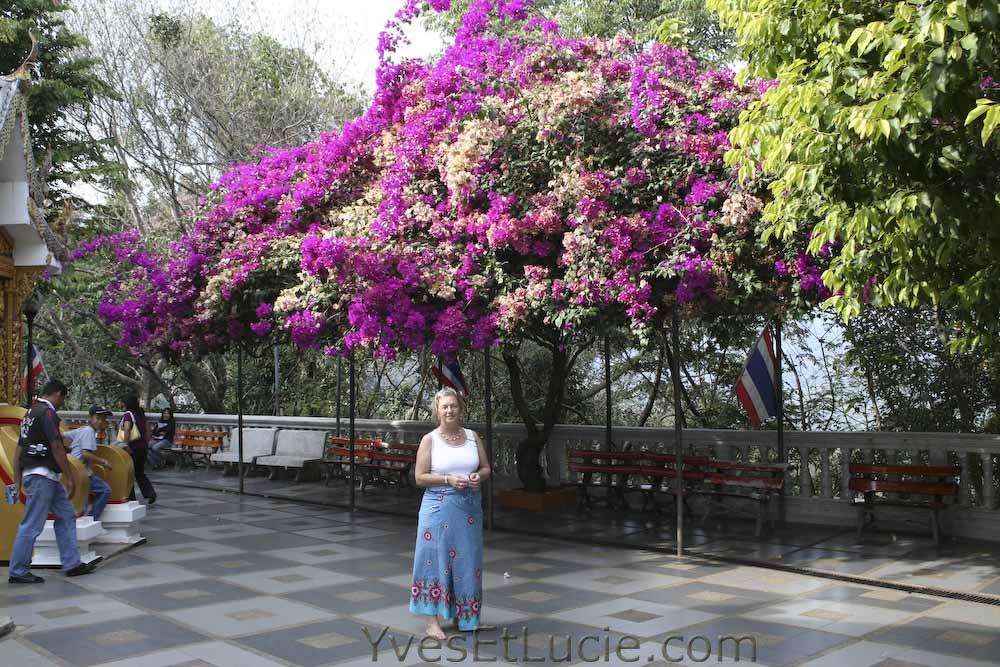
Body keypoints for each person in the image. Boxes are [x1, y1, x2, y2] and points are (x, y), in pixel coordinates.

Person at [409, 387, 491, 639]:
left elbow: (486, 468)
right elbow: (420, 477)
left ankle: (466, 618)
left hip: (468, 510)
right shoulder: (430, 440)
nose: (449, 410)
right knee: (433, 561)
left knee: (468, 562)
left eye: (453, 406)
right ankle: (431, 621)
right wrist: (447, 479)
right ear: (437, 411)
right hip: (438, 509)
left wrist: (479, 477)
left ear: (460, 408)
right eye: (444, 406)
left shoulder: (471, 437)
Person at [8, 379, 96, 583]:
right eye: (62, 399)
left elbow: (19, 450)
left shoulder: (29, 414)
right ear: (57, 394)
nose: (61, 404)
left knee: (66, 515)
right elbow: (57, 447)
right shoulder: (47, 413)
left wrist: (17, 480)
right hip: (42, 475)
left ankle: (72, 563)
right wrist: (70, 476)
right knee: (31, 525)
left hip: (43, 476)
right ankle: (18, 571)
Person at [64, 405, 113, 521]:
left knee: (83, 499)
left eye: (103, 419)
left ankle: (86, 520)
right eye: (98, 418)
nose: (101, 422)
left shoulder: (82, 429)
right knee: (105, 490)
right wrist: (103, 462)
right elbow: (85, 453)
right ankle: (93, 519)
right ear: (91, 417)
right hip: (82, 472)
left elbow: (63, 435)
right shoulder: (89, 431)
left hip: (75, 471)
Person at [120, 394, 156, 505]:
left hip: (133, 448)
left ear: (126, 403)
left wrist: (126, 445)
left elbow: (126, 429)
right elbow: (147, 429)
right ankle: (150, 493)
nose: (120, 404)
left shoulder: (128, 415)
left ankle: (131, 498)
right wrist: (146, 442)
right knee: (140, 473)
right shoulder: (140, 414)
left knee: (129, 473)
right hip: (142, 447)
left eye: (122, 402)